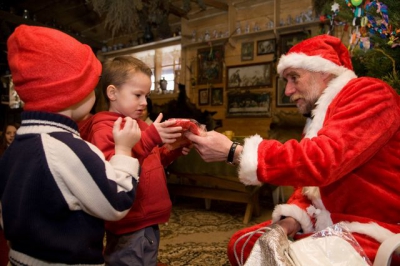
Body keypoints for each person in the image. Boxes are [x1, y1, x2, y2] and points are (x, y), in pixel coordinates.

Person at [185, 34, 400, 265]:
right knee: (243, 243)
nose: (287, 90)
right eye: (286, 80)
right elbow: (307, 187)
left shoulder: (371, 94)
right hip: (326, 220)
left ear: (324, 72)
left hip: (371, 227)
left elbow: (322, 161)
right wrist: (289, 221)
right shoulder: (319, 117)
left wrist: (234, 151)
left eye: (294, 78)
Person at [0, 25, 142, 265]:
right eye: (91, 85)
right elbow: (116, 202)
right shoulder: (66, 148)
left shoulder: (16, 148)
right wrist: (124, 150)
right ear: (73, 92)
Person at [78, 56, 191, 266]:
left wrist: (173, 150)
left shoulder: (138, 125)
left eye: (146, 96)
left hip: (147, 218)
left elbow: (150, 160)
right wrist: (149, 139)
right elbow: (113, 169)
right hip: (129, 222)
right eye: (137, 95)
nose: (144, 103)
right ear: (112, 93)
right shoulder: (104, 128)